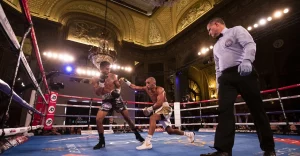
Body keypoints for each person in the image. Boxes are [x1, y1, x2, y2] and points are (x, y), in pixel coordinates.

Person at [201, 17, 275, 156]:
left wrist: (247, 60)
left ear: (216, 24)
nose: (209, 33)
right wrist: (218, 84)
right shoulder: (216, 46)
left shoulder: (236, 30)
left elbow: (249, 44)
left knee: (256, 109)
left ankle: (269, 149)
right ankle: (223, 151)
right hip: (225, 78)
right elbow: (217, 67)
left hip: (243, 71)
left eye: (209, 29)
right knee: (224, 111)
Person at [119, 77, 195, 150]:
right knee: (170, 131)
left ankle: (147, 143)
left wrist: (149, 109)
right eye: (146, 83)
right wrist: (125, 80)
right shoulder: (146, 88)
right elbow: (134, 87)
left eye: (148, 83)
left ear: (154, 83)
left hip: (165, 108)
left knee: (152, 118)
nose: (146, 84)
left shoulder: (160, 89)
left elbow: (160, 103)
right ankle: (189, 134)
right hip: (158, 110)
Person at [91, 61, 144, 150]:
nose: (108, 70)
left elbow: (118, 86)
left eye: (109, 68)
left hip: (116, 98)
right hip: (106, 99)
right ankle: (101, 142)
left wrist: (117, 92)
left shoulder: (113, 76)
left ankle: (137, 135)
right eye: (106, 68)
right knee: (98, 120)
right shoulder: (94, 78)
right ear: (101, 68)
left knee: (127, 118)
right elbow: (98, 93)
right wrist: (101, 82)